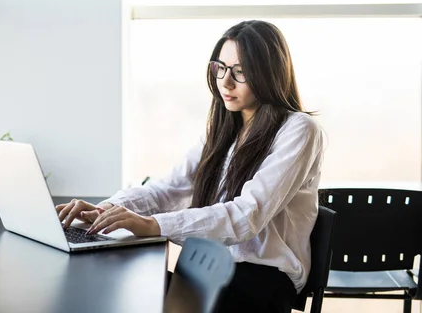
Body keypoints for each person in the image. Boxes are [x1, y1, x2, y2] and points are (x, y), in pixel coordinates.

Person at [56, 20, 324, 313]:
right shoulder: (224, 129)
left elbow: (247, 216)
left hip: (261, 280)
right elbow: (167, 190)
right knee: (112, 279)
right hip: (209, 268)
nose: (226, 81)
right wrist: (105, 211)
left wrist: (152, 225)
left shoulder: (299, 129)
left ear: (269, 73)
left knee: (131, 296)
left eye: (240, 72)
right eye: (220, 68)